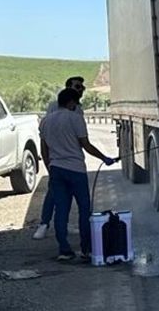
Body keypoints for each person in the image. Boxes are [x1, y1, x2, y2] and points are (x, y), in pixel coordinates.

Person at [40, 88, 116, 261]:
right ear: (71, 102)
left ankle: (64, 250)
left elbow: (43, 148)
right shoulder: (75, 118)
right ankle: (86, 249)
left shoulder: (45, 121)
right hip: (76, 170)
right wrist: (104, 157)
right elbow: (85, 144)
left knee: (61, 210)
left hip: (56, 170)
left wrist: (49, 167)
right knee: (83, 209)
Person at [32, 76, 87, 240]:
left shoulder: (78, 109)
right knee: (54, 194)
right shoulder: (54, 107)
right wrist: (48, 162)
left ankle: (62, 228)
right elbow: (50, 135)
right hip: (60, 160)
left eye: (82, 87)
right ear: (69, 88)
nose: (81, 89)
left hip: (66, 161)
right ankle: (44, 223)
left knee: (64, 199)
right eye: (78, 87)